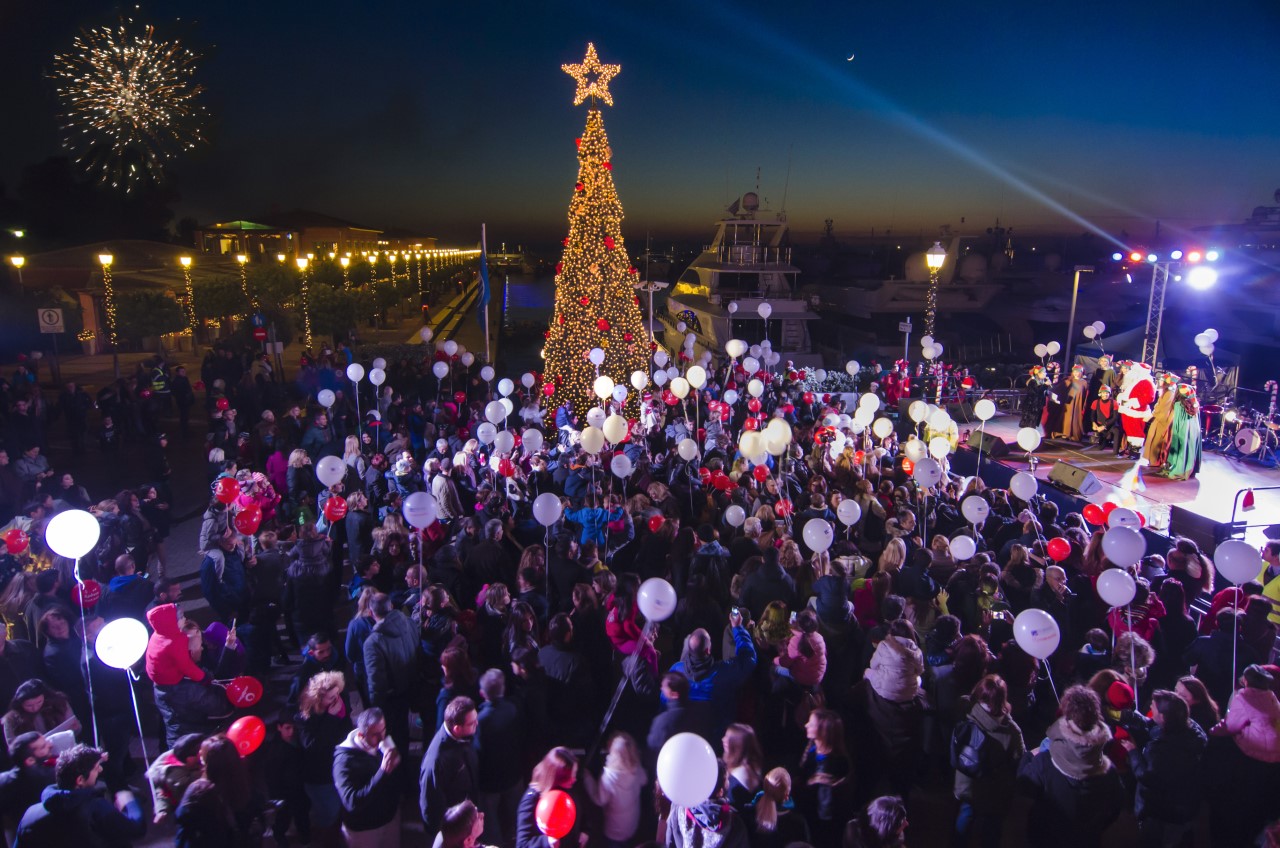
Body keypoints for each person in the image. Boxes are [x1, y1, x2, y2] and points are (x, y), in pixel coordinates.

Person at [1016, 685, 1124, 847]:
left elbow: (1023, 788)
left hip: (1045, 840)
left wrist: (1028, 756)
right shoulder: (1109, 773)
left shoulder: (1044, 763)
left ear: (1067, 718)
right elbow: (1115, 808)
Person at [13, 743, 145, 847]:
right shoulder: (97, 808)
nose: (100, 770)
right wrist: (130, 803)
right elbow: (136, 829)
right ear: (80, 780)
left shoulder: (30, 814)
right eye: (96, 768)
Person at [1124, 689, 1207, 848]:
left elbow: (1146, 776)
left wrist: (1133, 752)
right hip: (1185, 808)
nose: (1150, 707)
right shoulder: (1191, 732)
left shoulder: (1161, 749)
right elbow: (1153, 726)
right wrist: (1132, 717)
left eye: (1153, 707)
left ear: (1163, 717)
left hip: (1162, 814)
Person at [952, 675, 1025, 848]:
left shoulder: (965, 709)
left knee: (965, 816)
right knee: (992, 828)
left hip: (967, 784)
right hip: (995, 790)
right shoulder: (1011, 731)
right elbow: (1019, 759)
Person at [669, 610, 757, 738]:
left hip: (683, 735)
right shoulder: (724, 672)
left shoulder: (675, 671)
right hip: (716, 737)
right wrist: (738, 628)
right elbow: (748, 659)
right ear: (708, 650)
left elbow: (665, 704)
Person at [175, 734, 263, 847]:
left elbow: (182, 818)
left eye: (202, 752)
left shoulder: (198, 791)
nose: (199, 753)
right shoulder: (243, 780)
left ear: (208, 761)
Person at [333, 708, 402, 848]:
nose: (382, 738)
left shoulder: (381, 741)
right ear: (361, 735)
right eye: (375, 734)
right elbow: (352, 802)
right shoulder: (343, 762)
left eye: (383, 730)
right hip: (365, 831)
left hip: (389, 820)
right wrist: (383, 772)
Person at [363, 593, 420, 757]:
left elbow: (376, 680)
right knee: (403, 732)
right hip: (409, 688)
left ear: (371, 613)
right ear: (391, 606)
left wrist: (376, 708)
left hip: (390, 699)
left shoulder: (373, 642)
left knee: (392, 739)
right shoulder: (409, 623)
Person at [474, 669, 523, 847]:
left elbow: (478, 750)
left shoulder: (481, 720)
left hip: (490, 780)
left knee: (490, 820)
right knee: (517, 813)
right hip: (513, 773)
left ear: (482, 693)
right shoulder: (512, 709)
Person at [420, 696, 480, 837]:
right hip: (453, 830)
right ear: (457, 729)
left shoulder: (463, 737)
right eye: (472, 723)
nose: (477, 724)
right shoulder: (435, 761)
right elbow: (430, 807)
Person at [796, 709, 851, 847]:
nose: (806, 725)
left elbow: (825, 811)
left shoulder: (831, 764)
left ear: (823, 731)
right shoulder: (812, 750)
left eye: (811, 723)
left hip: (821, 825)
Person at [582, 731, 647, 848]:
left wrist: (588, 778)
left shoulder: (609, 778)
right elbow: (644, 780)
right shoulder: (637, 770)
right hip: (632, 826)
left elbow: (600, 800)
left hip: (614, 831)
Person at [0, 732, 55, 832]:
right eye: (43, 747)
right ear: (30, 760)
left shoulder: (4, 780)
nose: (50, 745)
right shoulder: (50, 777)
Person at [146, 733, 204, 826]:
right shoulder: (176, 777)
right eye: (201, 750)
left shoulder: (182, 754)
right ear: (190, 759)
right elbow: (165, 793)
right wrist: (162, 810)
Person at [843, 795, 909, 848]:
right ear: (887, 827)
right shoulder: (855, 836)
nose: (906, 824)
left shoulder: (896, 836)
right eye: (901, 822)